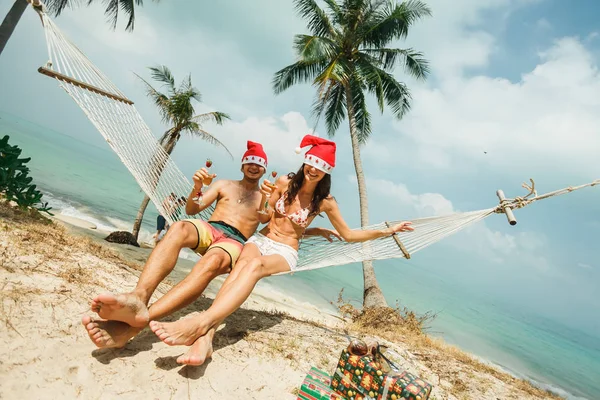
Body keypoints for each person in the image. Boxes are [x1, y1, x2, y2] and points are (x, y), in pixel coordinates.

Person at [148, 134, 414, 366]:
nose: (313, 170)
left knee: (254, 267)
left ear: (326, 172)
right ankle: (206, 337)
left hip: (285, 251)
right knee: (241, 267)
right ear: (305, 163)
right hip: (260, 240)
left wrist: (386, 231)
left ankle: (200, 322)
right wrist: (267, 202)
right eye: (310, 164)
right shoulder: (284, 183)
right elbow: (266, 216)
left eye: (319, 168)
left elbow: (349, 234)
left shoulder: (326, 202)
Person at [82, 140, 335, 354]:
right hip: (210, 228)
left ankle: (135, 325)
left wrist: (312, 230)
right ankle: (139, 297)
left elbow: (284, 226)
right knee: (180, 226)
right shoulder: (224, 184)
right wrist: (196, 187)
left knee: (212, 260)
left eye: (260, 164)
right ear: (242, 164)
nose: (255, 166)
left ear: (264, 169)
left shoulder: (266, 197)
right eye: (250, 161)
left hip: (234, 242)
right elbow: (192, 209)